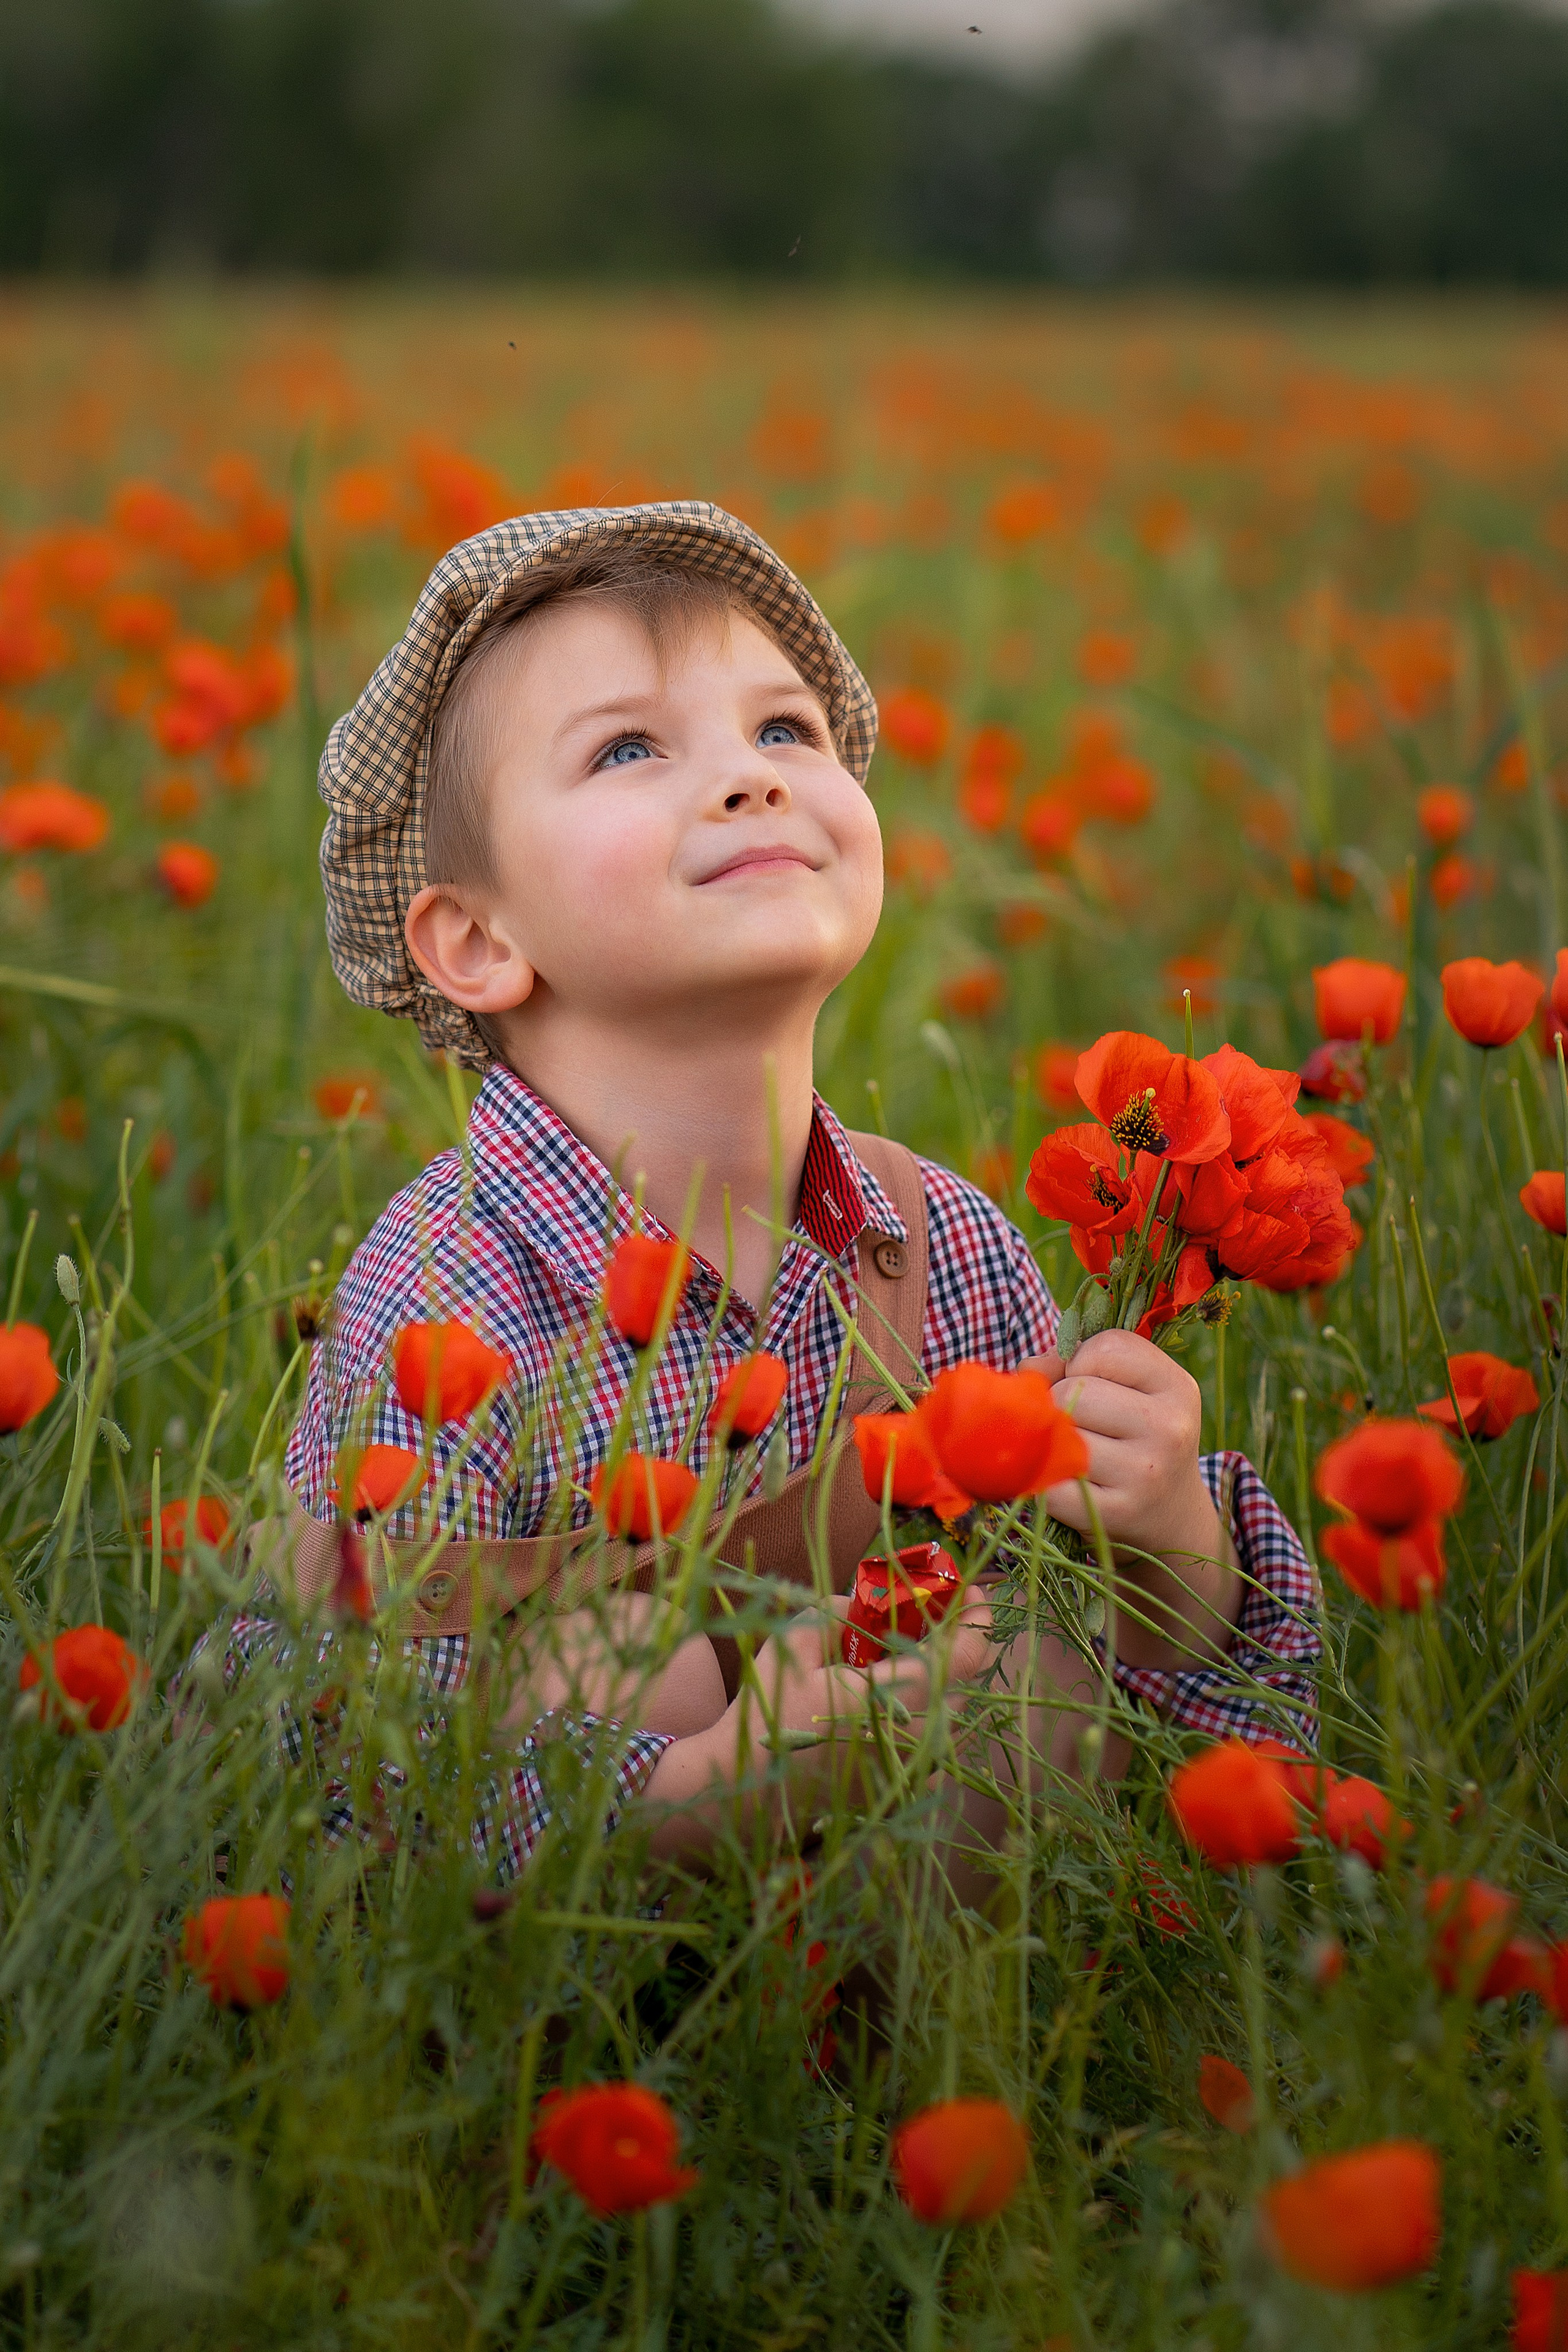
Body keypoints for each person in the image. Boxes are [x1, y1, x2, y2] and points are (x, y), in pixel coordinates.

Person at [228, 501, 1317, 1886]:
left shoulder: (935, 1251)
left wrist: (1169, 1539)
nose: (750, 781)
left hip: (907, 1932)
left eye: (784, 733)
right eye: (627, 748)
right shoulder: (451, 1291)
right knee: (642, 1672)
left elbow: (1148, 1688)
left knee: (1021, 1655)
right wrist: (709, 1791)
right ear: (477, 938)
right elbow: (343, 1745)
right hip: (557, 1948)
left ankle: (926, 2078)